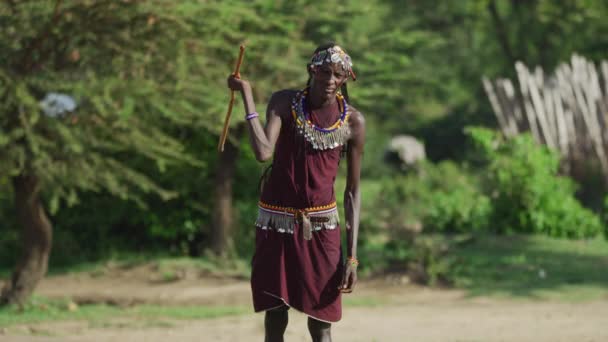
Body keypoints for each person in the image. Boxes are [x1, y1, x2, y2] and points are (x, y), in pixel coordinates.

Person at [227, 42, 365, 342]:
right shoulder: (284, 103)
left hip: (321, 227)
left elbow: (353, 192)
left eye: (338, 74)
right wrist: (247, 95)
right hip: (276, 223)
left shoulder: (352, 121)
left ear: (345, 78)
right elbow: (264, 152)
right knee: (275, 315)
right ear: (311, 70)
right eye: (324, 71)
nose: (330, 80)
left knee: (321, 322)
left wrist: (352, 257)